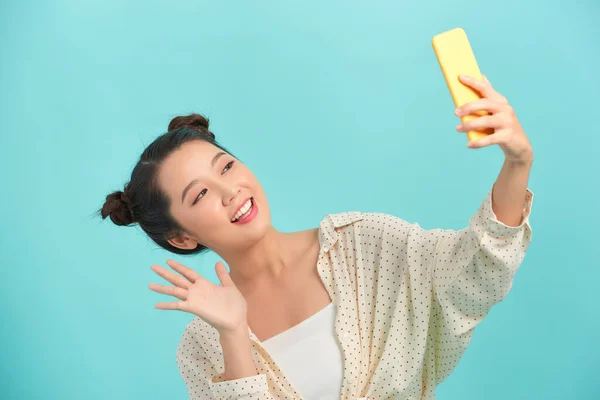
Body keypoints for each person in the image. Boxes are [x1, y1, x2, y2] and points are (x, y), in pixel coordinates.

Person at [99, 74, 534, 400]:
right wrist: (233, 333)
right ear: (181, 238)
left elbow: (476, 275)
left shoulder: (362, 244)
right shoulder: (202, 344)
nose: (231, 190)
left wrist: (517, 163)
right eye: (201, 195)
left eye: (226, 167)